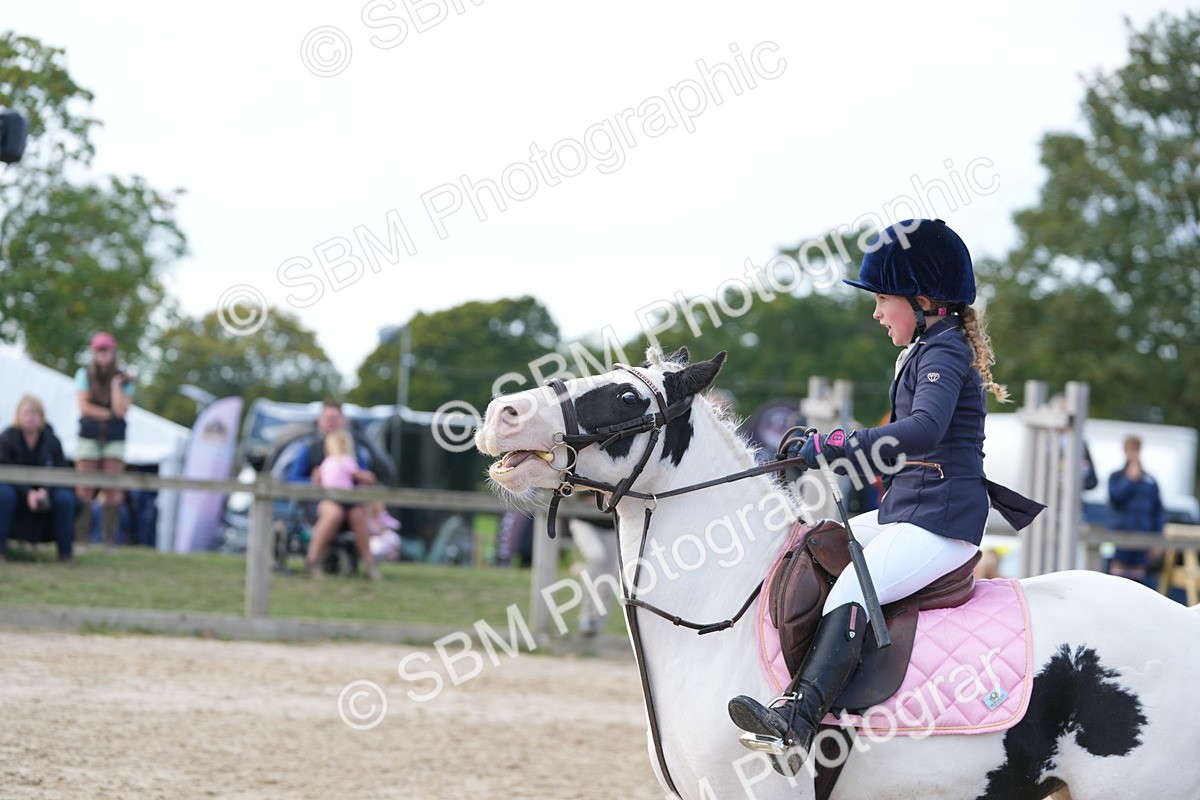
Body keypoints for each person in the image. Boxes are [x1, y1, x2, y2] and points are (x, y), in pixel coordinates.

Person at [727, 219, 1045, 775]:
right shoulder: (925, 349)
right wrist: (831, 448)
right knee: (812, 543)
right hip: (910, 512)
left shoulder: (944, 355)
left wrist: (835, 441)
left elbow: (920, 433)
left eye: (882, 299)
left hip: (942, 525)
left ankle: (799, 721)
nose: (876, 313)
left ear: (922, 301)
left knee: (856, 584)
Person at [286, 400, 382, 581]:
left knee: (358, 512)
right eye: (327, 417)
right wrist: (313, 482)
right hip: (318, 504)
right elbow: (292, 479)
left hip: (350, 503)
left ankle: (370, 564)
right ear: (319, 420)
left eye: (335, 418)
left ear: (343, 421)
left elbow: (360, 479)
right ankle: (312, 562)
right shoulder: (308, 449)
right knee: (334, 511)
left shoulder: (356, 451)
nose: (331, 422)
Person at [74, 332, 135, 547]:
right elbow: (84, 407)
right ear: (94, 352)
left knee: (112, 489)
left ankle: (109, 541)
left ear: (112, 351)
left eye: (106, 350)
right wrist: (108, 414)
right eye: (99, 350)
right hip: (90, 435)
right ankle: (81, 539)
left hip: (114, 438)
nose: (103, 354)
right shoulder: (84, 375)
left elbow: (121, 410)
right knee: (85, 488)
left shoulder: (123, 378)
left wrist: (116, 385)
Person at [0, 395, 77, 562]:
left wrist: (45, 491)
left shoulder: (52, 440)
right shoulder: (7, 438)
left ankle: (66, 554)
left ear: (41, 416)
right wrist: (28, 493)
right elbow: (4, 470)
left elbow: (61, 471)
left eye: (34, 413)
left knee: (65, 498)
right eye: (26, 413)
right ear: (18, 415)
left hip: (46, 490)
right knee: (3, 494)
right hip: (15, 490)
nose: (30, 417)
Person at [1107, 435, 1166, 582]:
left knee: (1139, 584)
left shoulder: (1150, 480)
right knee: (1117, 583)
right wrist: (1130, 480)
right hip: (1121, 539)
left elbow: (1158, 512)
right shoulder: (1116, 477)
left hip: (1143, 540)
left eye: (1136, 449)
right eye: (1130, 449)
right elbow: (1116, 499)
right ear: (1124, 451)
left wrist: (1157, 541)